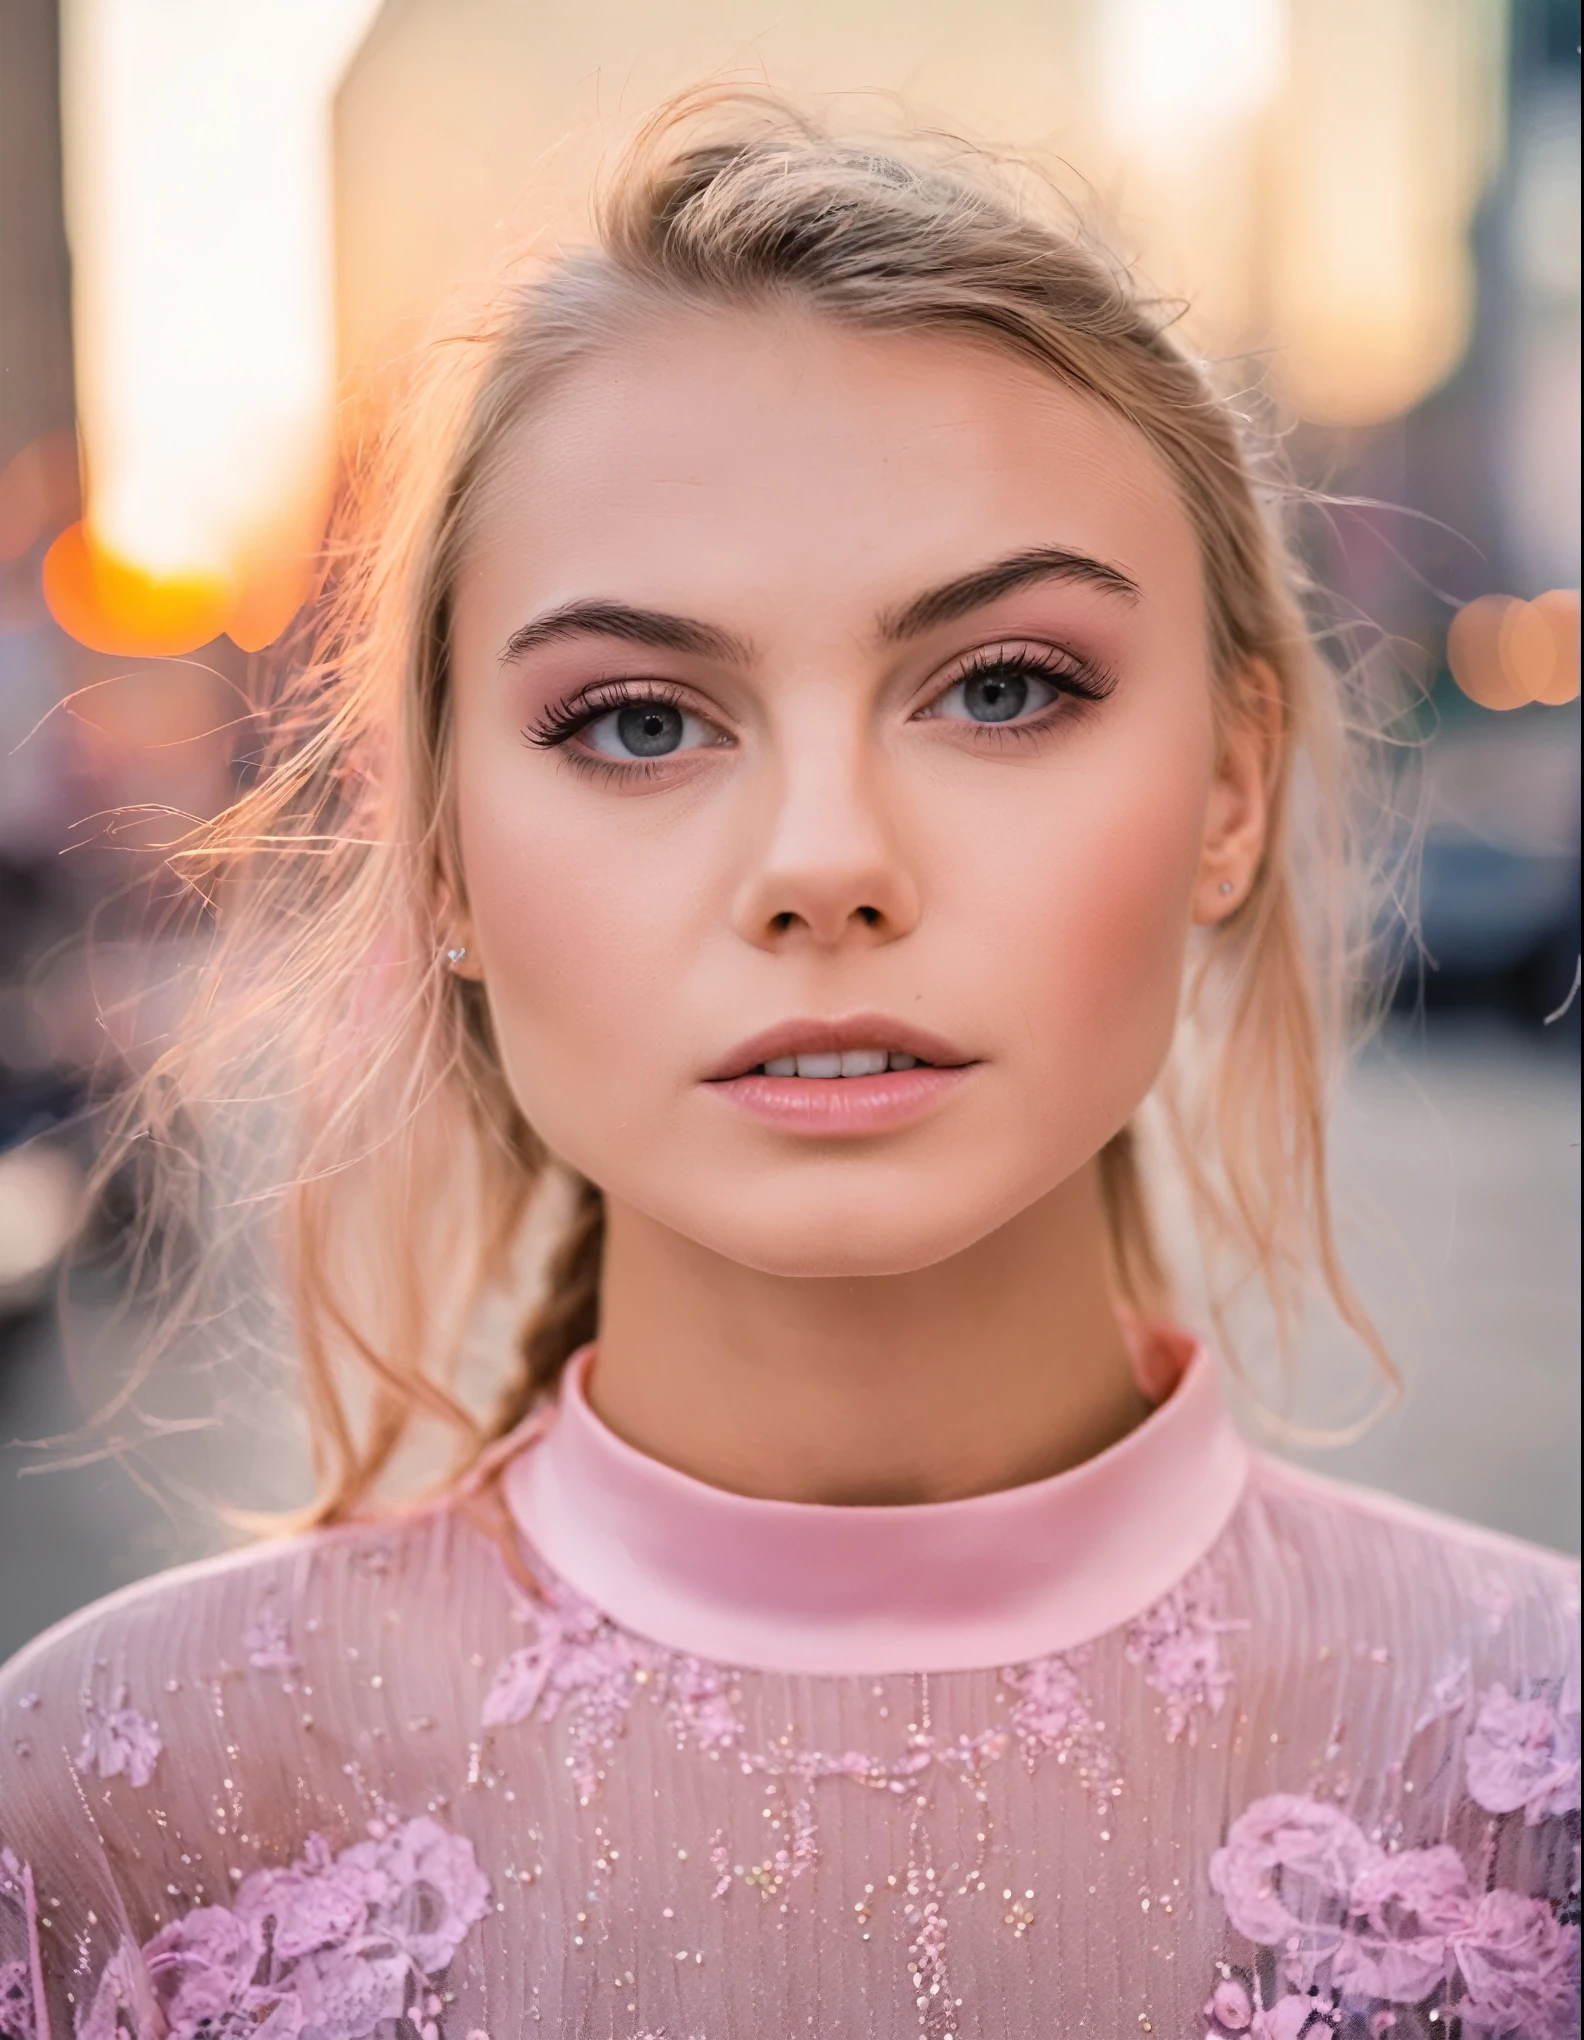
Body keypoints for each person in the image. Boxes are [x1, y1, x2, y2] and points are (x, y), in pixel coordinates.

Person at [0, 95, 1577, 2040]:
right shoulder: (109, 1813)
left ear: (1232, 784)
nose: (825, 861)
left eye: (1005, 686)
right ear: (440, 856)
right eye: (641, 719)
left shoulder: (1540, 1779)